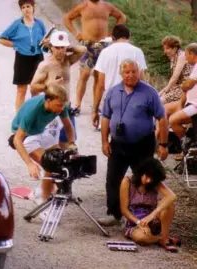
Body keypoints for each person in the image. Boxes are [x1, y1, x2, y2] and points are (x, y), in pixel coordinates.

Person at [98, 59, 169, 226]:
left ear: (139, 72)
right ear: (121, 74)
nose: (131, 75)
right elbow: (106, 117)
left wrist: (163, 144)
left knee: (144, 179)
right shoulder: (113, 92)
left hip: (142, 144)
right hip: (118, 144)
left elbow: (162, 118)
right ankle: (114, 214)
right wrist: (104, 142)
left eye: (134, 71)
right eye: (127, 72)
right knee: (113, 178)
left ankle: (145, 214)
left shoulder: (149, 92)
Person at [10, 84, 76, 219]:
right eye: (58, 105)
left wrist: (72, 144)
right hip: (26, 136)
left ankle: (39, 191)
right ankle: (44, 204)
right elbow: (17, 140)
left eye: (62, 105)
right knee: (50, 163)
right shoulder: (33, 110)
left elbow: (68, 125)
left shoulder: (60, 105)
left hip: (42, 131)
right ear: (48, 100)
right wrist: (29, 164)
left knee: (60, 161)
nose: (61, 109)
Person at [63, 0, 126, 115]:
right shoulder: (83, 6)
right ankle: (77, 105)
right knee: (84, 75)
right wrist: (76, 34)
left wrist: (113, 34)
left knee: (99, 77)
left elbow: (122, 17)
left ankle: (95, 107)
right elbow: (67, 18)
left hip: (103, 46)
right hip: (87, 45)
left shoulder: (107, 6)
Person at [30, 30, 87, 148]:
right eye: (57, 47)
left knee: (68, 146)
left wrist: (68, 47)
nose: (61, 51)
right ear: (51, 47)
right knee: (52, 148)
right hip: (51, 110)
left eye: (63, 48)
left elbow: (83, 50)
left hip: (65, 107)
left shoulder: (67, 61)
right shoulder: (45, 65)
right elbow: (33, 88)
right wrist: (48, 85)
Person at [92, 24, 148, 128]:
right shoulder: (137, 51)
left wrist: (95, 110)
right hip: (133, 98)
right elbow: (142, 80)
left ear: (113, 38)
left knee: (113, 133)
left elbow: (100, 85)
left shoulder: (105, 52)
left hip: (112, 99)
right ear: (129, 36)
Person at [120, 158, 180, 253]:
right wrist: (139, 222)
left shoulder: (155, 183)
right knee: (141, 238)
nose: (148, 181)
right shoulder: (127, 181)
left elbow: (172, 196)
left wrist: (152, 215)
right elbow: (124, 210)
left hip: (153, 219)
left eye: (152, 179)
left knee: (169, 204)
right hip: (135, 221)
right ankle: (160, 239)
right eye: (147, 176)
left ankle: (165, 238)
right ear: (141, 172)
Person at [0, 0, 47, 111]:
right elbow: (1, 39)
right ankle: (19, 119)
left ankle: (35, 115)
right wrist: (16, 45)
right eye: (23, 7)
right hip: (22, 59)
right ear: (21, 9)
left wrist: (47, 42)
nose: (26, 9)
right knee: (21, 90)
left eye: (28, 6)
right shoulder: (17, 24)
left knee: (35, 89)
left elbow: (45, 40)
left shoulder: (39, 23)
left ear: (33, 7)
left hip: (38, 58)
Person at [168, 43, 197, 140]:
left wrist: (184, 86)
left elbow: (188, 84)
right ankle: (189, 143)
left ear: (192, 54)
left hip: (195, 105)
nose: (185, 57)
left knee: (173, 120)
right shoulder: (194, 67)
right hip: (191, 103)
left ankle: (187, 143)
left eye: (186, 54)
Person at [159, 36, 193, 105]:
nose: (165, 51)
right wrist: (163, 91)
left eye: (167, 48)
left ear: (175, 48)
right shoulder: (173, 57)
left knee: (160, 101)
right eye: (164, 48)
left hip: (185, 87)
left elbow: (175, 77)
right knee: (158, 97)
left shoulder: (182, 56)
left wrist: (166, 90)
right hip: (178, 87)